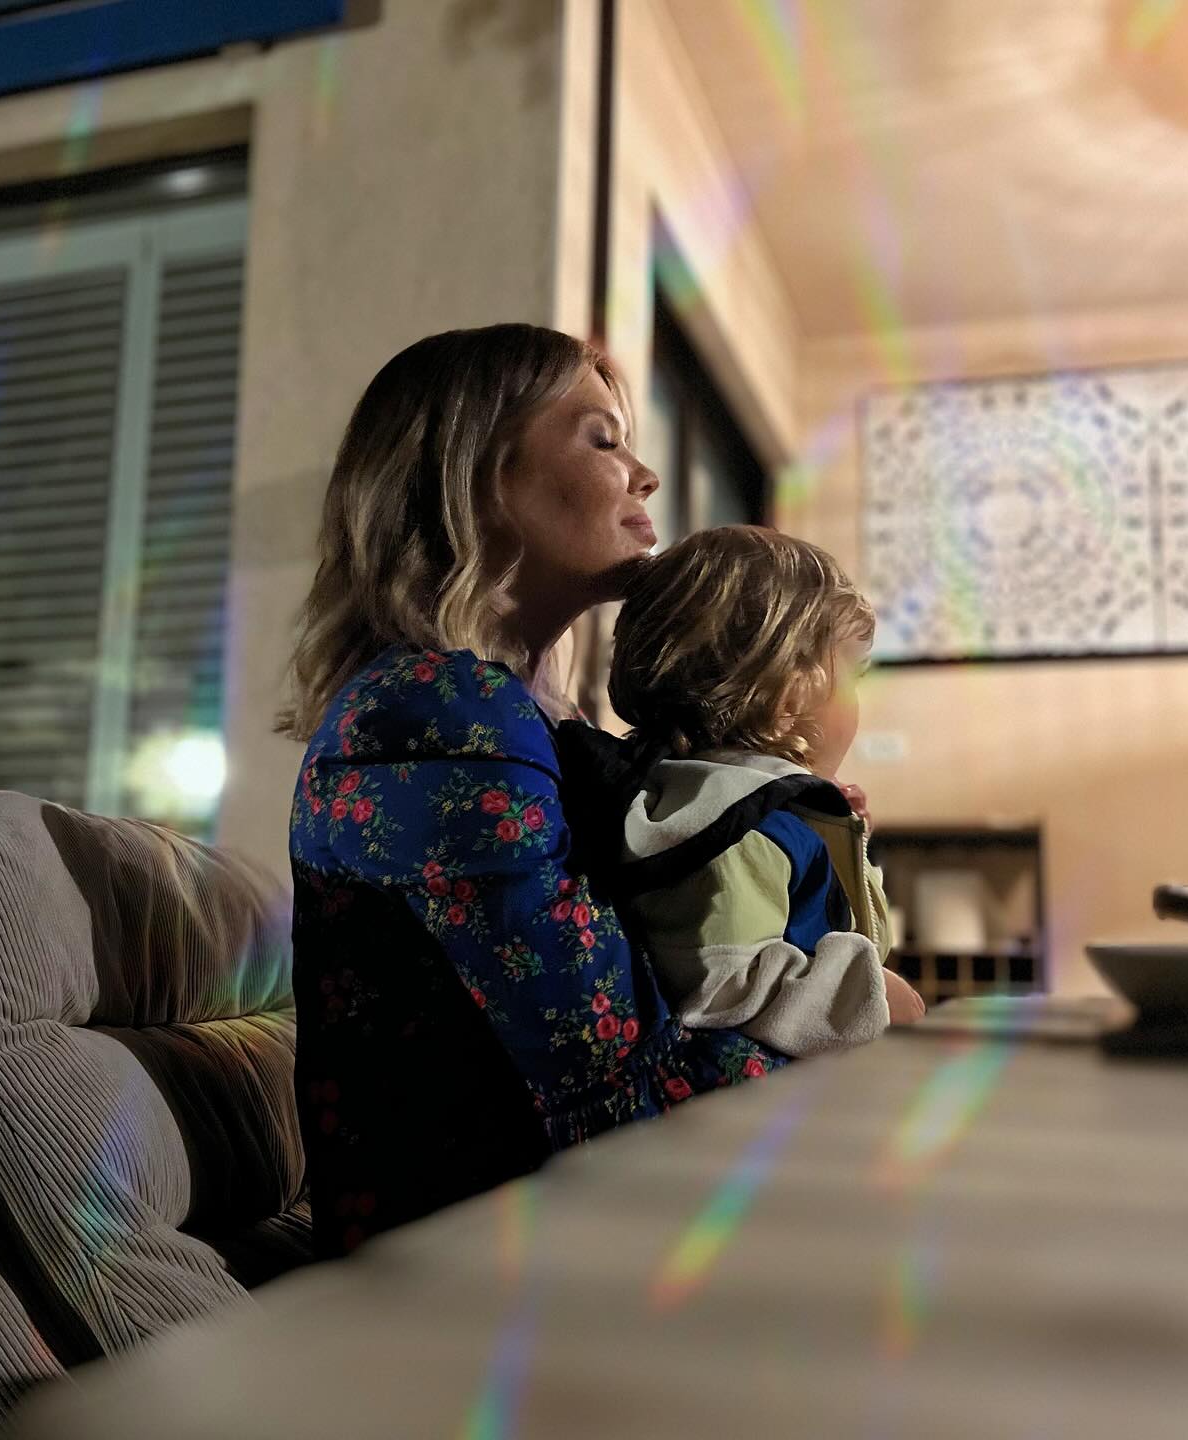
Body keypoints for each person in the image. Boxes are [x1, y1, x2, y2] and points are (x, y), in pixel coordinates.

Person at [281, 324, 788, 1260]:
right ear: (477, 476)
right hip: (481, 1272)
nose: (646, 476)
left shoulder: (511, 720)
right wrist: (849, 1040)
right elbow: (611, 1086)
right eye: (603, 440)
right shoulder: (437, 716)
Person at [564, 525, 925, 1058]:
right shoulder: (733, 828)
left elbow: (853, 933)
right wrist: (869, 998)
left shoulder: (737, 806)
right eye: (854, 678)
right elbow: (723, 983)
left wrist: (843, 843)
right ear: (788, 696)